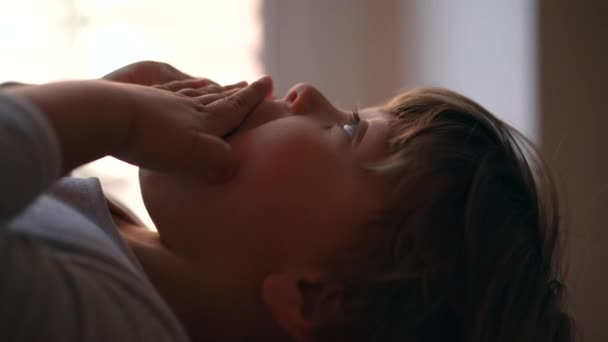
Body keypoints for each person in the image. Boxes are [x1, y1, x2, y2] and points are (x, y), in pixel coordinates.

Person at [0, 61, 574, 342]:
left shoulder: (108, 322)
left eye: (349, 131)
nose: (306, 94)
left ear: (311, 295)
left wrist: (105, 115)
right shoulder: (113, 245)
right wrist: (72, 109)